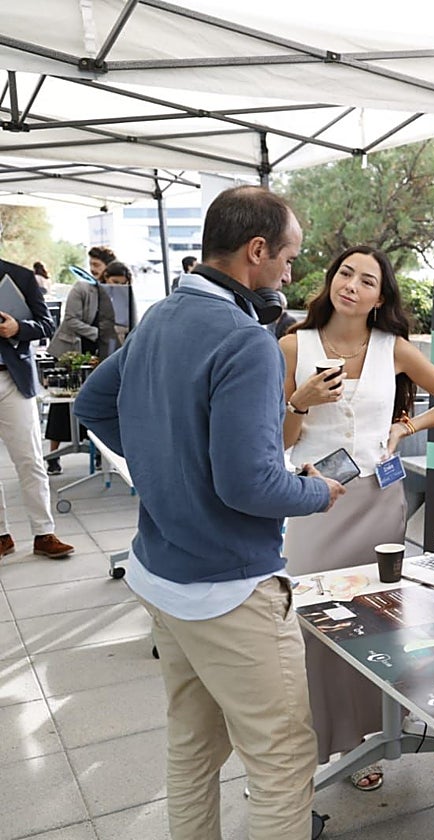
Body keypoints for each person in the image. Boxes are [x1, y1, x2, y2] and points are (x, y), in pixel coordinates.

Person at [74, 185, 346, 840]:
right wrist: (317, 491)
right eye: (288, 258)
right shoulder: (246, 342)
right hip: (231, 589)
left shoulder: (160, 318)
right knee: (281, 759)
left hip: (161, 577)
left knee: (193, 748)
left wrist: (166, 465)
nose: (291, 273)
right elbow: (249, 486)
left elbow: (92, 403)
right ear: (257, 252)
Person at [280, 244, 434, 791]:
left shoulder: (395, 348)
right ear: (331, 280)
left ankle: (368, 741)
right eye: (345, 273)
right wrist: (300, 401)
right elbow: (279, 439)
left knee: (375, 623)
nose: (352, 286)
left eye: (367, 280)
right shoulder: (292, 345)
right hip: (314, 502)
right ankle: (312, 749)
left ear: (379, 296)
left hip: (378, 505)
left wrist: (403, 429)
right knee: (313, 626)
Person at [0, 228, 75, 561]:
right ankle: (2, 535)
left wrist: (18, 328)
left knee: (29, 458)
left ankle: (44, 533)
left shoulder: (19, 277)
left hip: (12, 380)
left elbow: (47, 324)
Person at [45, 246, 118, 473]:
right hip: (72, 350)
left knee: (95, 400)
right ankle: (53, 456)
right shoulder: (82, 288)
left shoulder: (111, 290)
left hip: (98, 351)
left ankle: (98, 454)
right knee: (62, 408)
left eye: (97, 265)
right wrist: (99, 334)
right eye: (92, 265)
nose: (93, 269)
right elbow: (71, 320)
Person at [99, 260, 137, 347]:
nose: (119, 286)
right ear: (106, 277)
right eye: (115, 282)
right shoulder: (97, 292)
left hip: (123, 333)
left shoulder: (127, 294)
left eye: (123, 283)